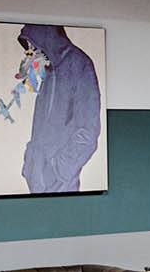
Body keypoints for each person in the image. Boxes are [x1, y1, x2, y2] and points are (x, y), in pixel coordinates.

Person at [16, 24, 102, 192]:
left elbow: (89, 131)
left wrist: (58, 169)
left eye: (34, 45)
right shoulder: (48, 71)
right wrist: (30, 164)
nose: (31, 52)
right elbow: (41, 125)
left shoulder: (79, 64)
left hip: (61, 183)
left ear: (46, 38)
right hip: (37, 180)